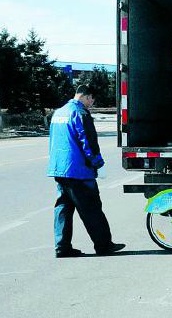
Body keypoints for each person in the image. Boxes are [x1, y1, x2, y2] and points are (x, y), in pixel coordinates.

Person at [47, 85, 126, 258]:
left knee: (63, 209)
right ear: (87, 97)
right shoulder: (80, 113)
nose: (91, 104)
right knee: (91, 209)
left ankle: (62, 247)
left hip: (60, 169)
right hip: (78, 171)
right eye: (91, 101)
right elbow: (88, 142)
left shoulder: (59, 113)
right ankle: (104, 245)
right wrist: (98, 164)